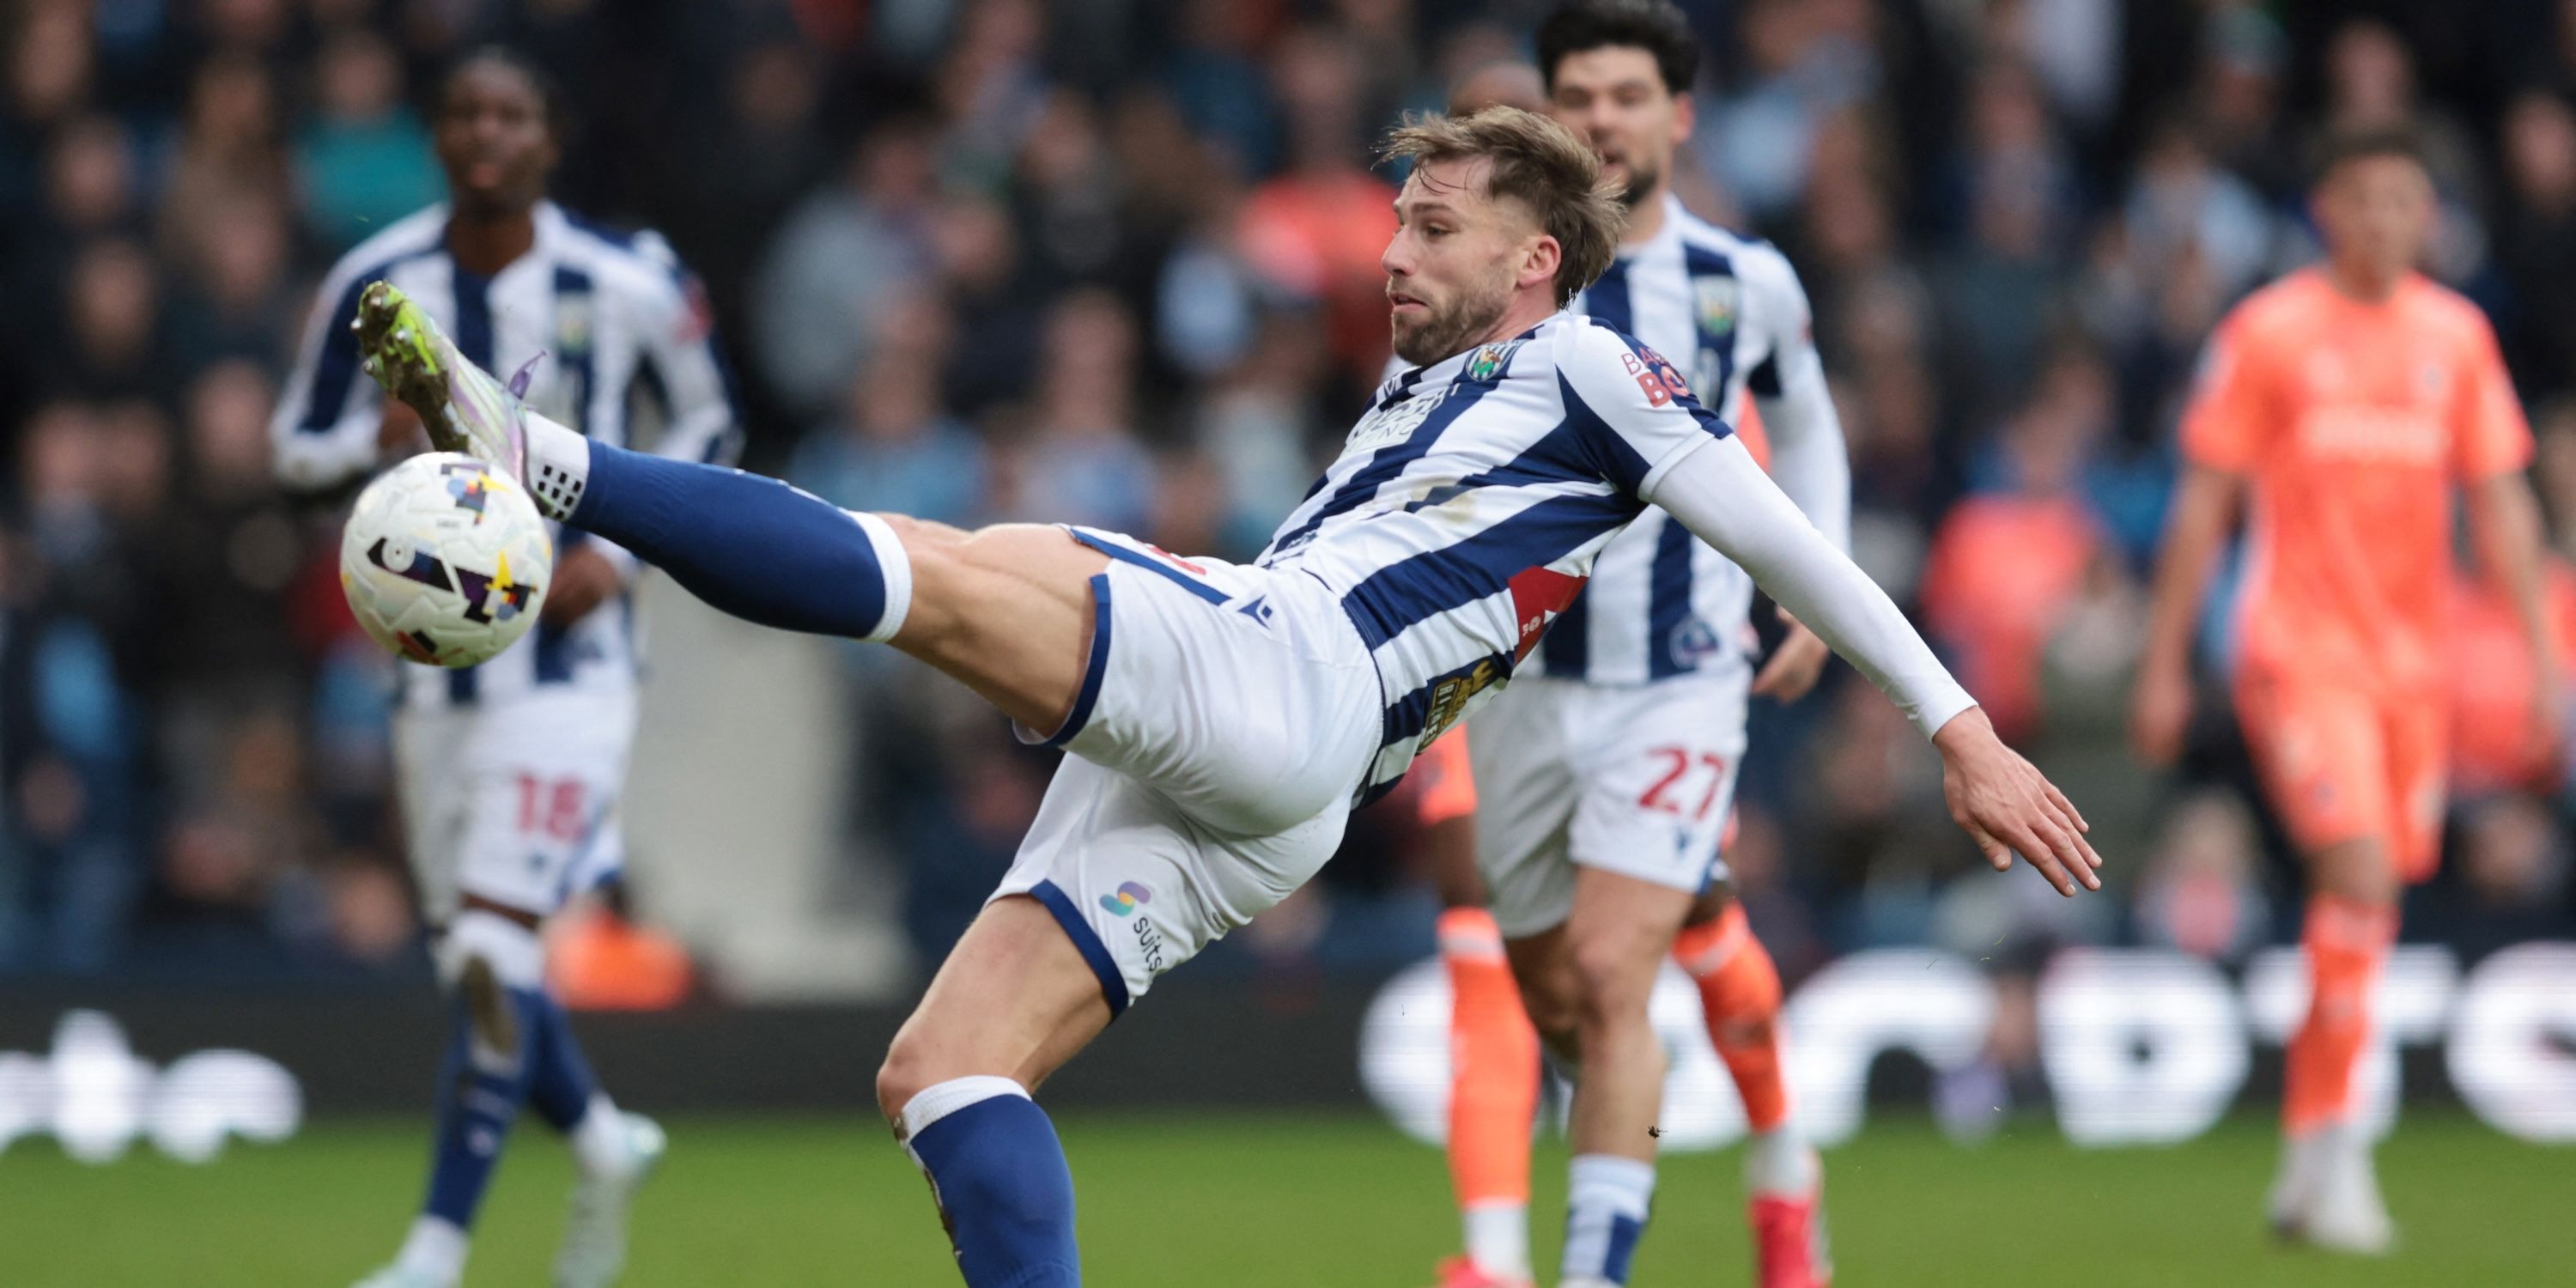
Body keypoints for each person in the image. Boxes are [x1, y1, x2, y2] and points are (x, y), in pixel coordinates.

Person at [354, 105, 2099, 1288]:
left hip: (1292, 670)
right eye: (1397, 224)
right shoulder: (1432, 394)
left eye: (1434, 229)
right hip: (1283, 792)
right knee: (945, 1073)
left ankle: (544, 461)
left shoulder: (1594, 370)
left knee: (937, 573)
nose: (1394, 254)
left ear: (1538, 261)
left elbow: (1800, 548)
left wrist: (1959, 726)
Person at [270, 48, 736, 1288]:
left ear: (549, 138)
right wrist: (356, 452)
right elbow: (290, 450)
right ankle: (600, 1140)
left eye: (510, 113)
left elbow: (709, 422)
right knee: (479, 965)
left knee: (488, 947)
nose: (487, 132)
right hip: (432, 672)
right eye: (465, 113)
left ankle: (434, 1252)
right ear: (438, 138)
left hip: (576, 666)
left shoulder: (621, 280)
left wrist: (626, 560)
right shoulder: (376, 281)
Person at [1417, 5, 1851, 1285]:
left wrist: (1815, 588)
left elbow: (1812, 428)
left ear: (1679, 115)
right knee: (1575, 1001)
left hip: (1678, 683)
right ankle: (1785, 1162)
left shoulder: (1744, 281)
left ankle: (1590, 1265)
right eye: (1578, 95)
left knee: (1614, 979)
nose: (1601, 117)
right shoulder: (1505, 277)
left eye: (1625, 93)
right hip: (1520, 690)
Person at [2132, 126, 2556, 1255]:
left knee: (2363, 906)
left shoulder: (2454, 337)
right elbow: (2203, 505)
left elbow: (2504, 504)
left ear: (2428, 216)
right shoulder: (2269, 332)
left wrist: (2542, 662)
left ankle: (2307, 1159)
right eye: (2362, 199)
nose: (2382, 221)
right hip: (2296, 649)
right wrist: (2168, 659)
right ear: (2327, 209)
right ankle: (2342, 1154)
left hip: (2412, 670)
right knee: (2360, 871)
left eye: (2403, 202)